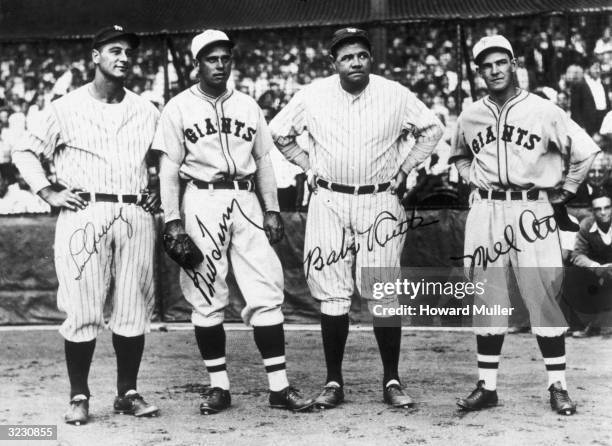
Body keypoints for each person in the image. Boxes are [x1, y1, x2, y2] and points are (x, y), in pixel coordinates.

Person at [270, 27, 444, 409]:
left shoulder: (395, 94)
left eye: (362, 55)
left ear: (371, 59)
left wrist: (405, 168)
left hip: (380, 199)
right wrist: (307, 164)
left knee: (382, 292)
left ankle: (392, 379)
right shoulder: (312, 94)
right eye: (347, 56)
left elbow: (433, 129)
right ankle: (334, 382)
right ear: (333, 62)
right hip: (329, 199)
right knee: (333, 295)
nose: (356, 62)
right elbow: (278, 133)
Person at [153, 29, 314, 414]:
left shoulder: (247, 105)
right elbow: (169, 168)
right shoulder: (177, 107)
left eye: (225, 57)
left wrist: (272, 208)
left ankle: (279, 386)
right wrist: (172, 219)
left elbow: (263, 162)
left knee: (266, 290)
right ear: (197, 64)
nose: (220, 64)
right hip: (201, 198)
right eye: (212, 58)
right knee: (206, 295)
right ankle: (218, 386)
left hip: (245, 199)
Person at [11, 25, 162, 425]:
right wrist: (48, 191)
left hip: (134, 213)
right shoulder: (64, 107)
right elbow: (23, 149)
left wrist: (158, 188)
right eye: (114, 50)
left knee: (132, 308)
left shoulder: (147, 110)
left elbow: (168, 159)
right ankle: (79, 394)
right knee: (82, 309)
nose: (124, 57)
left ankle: (127, 392)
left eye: (129, 51)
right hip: (84, 212)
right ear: (95, 56)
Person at [449, 35, 600, 415]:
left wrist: (565, 190)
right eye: (486, 65)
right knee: (487, 296)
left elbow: (584, 152)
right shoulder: (470, 115)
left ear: (513, 64)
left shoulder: (543, 110)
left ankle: (558, 386)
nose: (495, 70)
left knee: (543, 295)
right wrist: (472, 176)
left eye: (501, 62)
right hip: (486, 210)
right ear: (479, 71)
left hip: (533, 208)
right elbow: (460, 156)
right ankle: (487, 386)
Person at [570, 193, 612, 337]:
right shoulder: (586, 226)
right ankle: (587, 324)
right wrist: (596, 267)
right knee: (576, 276)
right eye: (598, 209)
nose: (603, 212)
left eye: (607, 207)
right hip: (596, 272)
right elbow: (577, 255)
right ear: (592, 211)